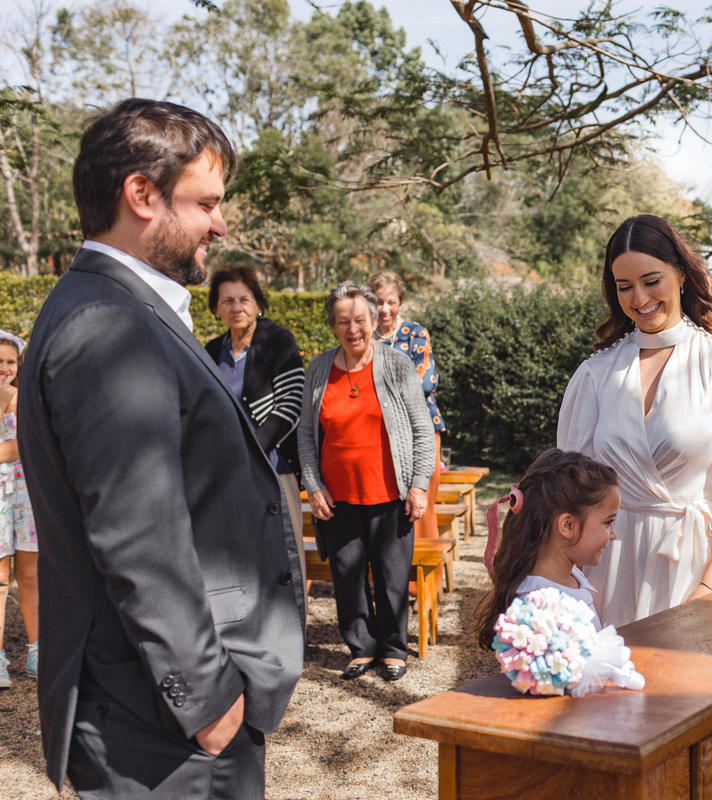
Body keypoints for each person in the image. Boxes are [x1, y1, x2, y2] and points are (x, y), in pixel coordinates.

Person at [17, 99, 305, 798]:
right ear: (141, 195)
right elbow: (137, 536)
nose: (220, 222)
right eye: (206, 202)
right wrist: (207, 702)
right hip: (157, 726)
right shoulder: (105, 327)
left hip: (158, 717)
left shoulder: (124, 311)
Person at [557, 214, 712, 629]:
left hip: (699, 569)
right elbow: (572, 488)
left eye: (651, 280)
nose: (639, 298)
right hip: (612, 569)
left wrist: (710, 588)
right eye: (624, 287)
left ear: (679, 273)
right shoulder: (595, 374)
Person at [298, 282, 435, 682]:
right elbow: (306, 434)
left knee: (393, 577)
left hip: (391, 493)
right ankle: (361, 647)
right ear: (333, 325)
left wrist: (419, 484)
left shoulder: (396, 365)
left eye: (360, 319)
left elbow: (421, 429)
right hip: (337, 497)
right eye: (343, 321)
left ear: (374, 321)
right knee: (347, 577)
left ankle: (393, 648)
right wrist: (313, 485)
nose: (352, 328)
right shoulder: (319, 368)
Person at [205, 267, 306, 581]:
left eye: (244, 299)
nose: (236, 307)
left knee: (285, 553)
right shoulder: (210, 351)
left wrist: (250, 452)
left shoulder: (277, 341)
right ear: (217, 308)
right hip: (227, 472)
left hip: (275, 468)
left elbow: (291, 404)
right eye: (228, 301)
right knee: (239, 556)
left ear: (258, 303)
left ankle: (292, 629)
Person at [475, 448, 620, 647]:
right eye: (608, 522)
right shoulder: (537, 611)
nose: (614, 534)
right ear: (567, 526)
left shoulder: (571, 578)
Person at [368, 272, 446, 544]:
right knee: (382, 507)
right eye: (378, 302)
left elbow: (425, 382)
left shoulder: (415, 333)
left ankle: (423, 584)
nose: (384, 309)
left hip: (420, 430)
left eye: (391, 302)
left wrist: (378, 390)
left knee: (422, 504)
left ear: (400, 302)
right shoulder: (363, 337)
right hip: (376, 434)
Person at [0, 329, 37, 689]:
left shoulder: (24, 399)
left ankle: (36, 650)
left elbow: (24, 445)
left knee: (29, 576)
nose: (5, 368)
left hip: (24, 492)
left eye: (10, 362)